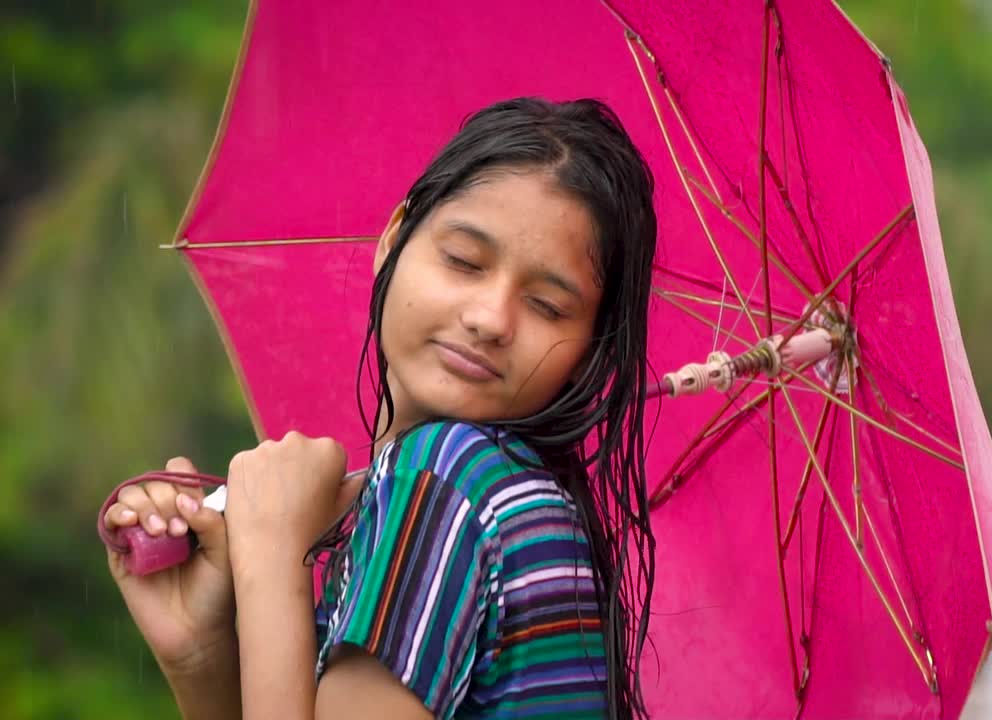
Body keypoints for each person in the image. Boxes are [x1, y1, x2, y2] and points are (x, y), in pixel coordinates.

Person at [101, 97, 658, 720]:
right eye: (464, 262)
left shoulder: (448, 476)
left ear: (589, 353)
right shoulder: (506, 492)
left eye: (549, 307)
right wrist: (197, 655)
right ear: (393, 240)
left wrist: (271, 552)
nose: (489, 319)